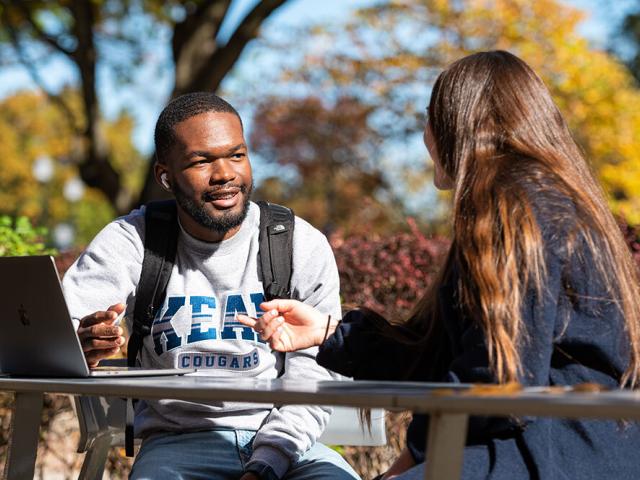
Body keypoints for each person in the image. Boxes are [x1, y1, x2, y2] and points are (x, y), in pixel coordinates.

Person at [238, 50, 640, 479]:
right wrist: (326, 334)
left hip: (553, 455)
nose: (426, 134)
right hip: (586, 449)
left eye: (431, 117)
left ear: (456, 125)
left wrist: (411, 459)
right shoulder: (551, 202)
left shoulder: (512, 208)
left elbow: (496, 376)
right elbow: (441, 354)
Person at [62, 92, 359, 480]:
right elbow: (57, 331)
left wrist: (267, 463)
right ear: (165, 176)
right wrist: (80, 345)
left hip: (290, 447)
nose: (225, 174)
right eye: (202, 161)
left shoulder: (297, 243)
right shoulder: (133, 241)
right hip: (175, 445)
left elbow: (314, 377)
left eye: (236, 155)